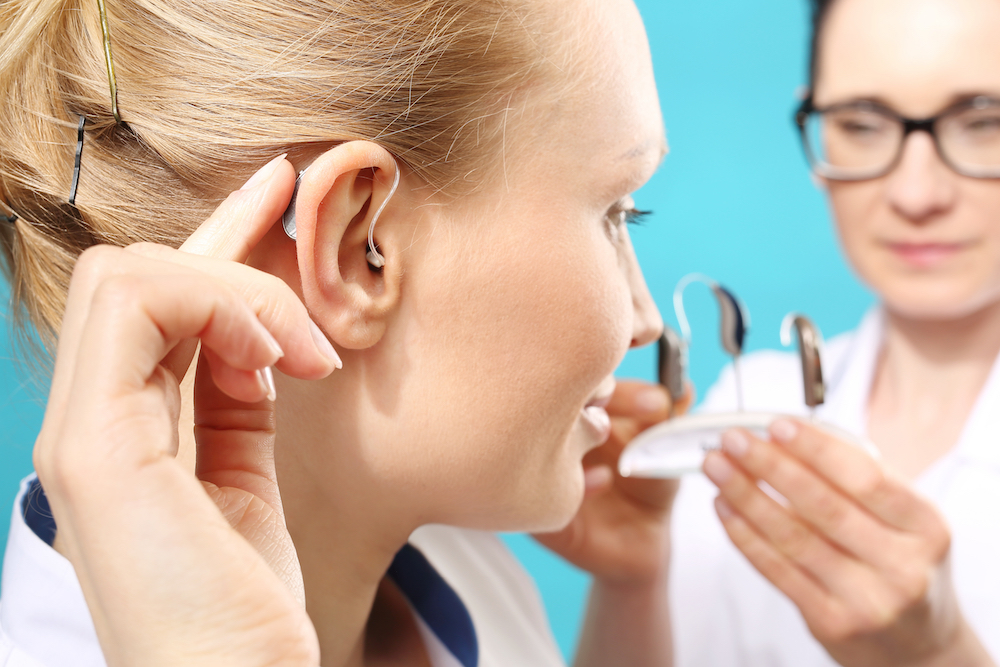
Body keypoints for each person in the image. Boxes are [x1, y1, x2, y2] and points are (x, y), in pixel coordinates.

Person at [0, 0, 684, 665]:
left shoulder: (466, 580)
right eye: (617, 210)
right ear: (359, 248)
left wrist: (631, 589)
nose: (645, 318)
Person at [616, 0, 1000, 664]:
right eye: (860, 123)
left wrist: (939, 655)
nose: (916, 193)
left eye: (984, 122)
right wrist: (632, 579)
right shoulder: (747, 407)